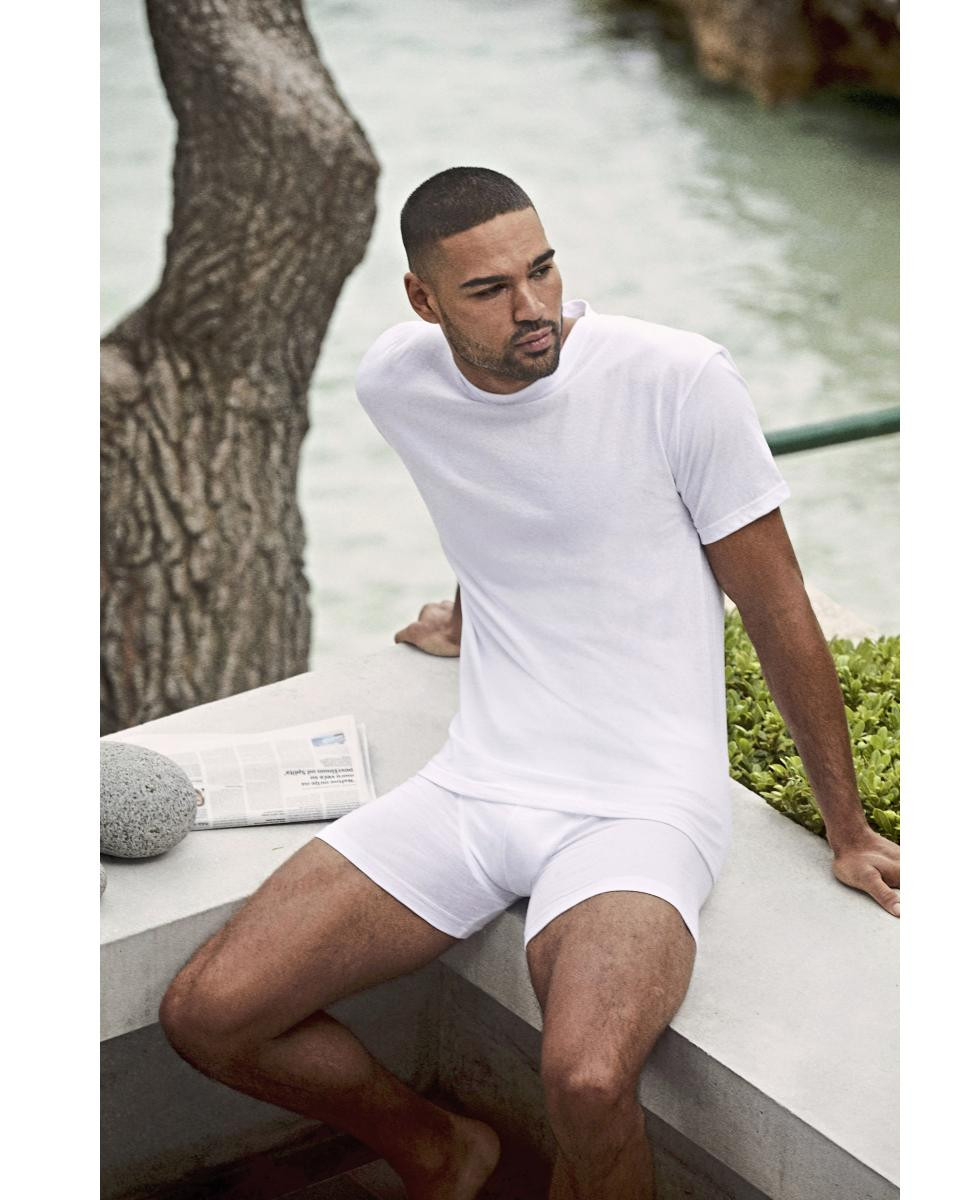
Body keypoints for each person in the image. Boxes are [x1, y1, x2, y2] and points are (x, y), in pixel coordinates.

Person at [159, 167, 901, 1200]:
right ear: (423, 301)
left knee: (587, 1080)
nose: (534, 306)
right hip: (478, 784)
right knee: (210, 1012)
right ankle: (438, 1149)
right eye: (490, 290)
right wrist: (466, 618)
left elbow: (778, 612)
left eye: (542, 270)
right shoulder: (396, 381)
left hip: (642, 806)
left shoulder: (676, 381)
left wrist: (848, 829)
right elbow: (493, 503)